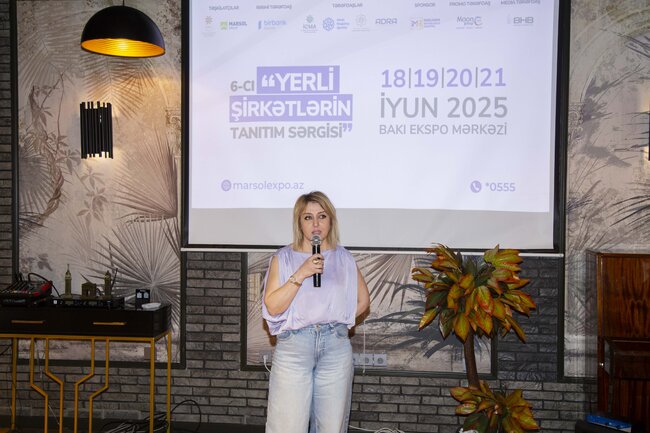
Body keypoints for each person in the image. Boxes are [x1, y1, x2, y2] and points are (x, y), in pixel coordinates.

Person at [262, 191, 370, 433]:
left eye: (322, 216)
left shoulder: (344, 258)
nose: (316, 224)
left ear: (331, 220)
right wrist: (301, 273)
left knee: (331, 426)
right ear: (299, 223)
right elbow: (272, 306)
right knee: (287, 426)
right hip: (294, 348)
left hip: (335, 349)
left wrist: (340, 322)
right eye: (308, 217)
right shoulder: (283, 258)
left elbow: (363, 300)